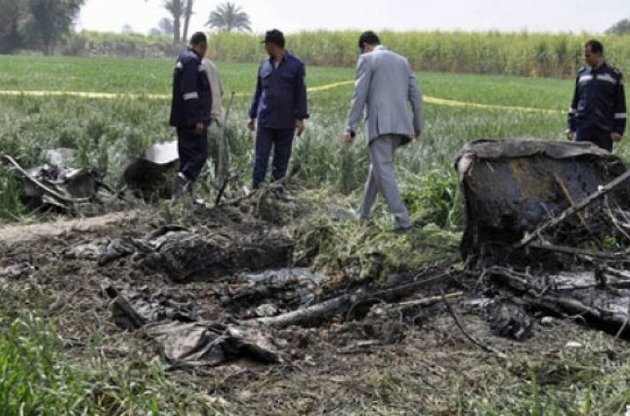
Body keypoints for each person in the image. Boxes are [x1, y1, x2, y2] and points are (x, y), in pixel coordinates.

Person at [343, 30, 423, 232]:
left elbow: (359, 96)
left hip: (380, 125)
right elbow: (416, 96)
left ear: (365, 46)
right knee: (377, 168)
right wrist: (417, 125)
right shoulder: (402, 61)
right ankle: (363, 214)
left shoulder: (367, 59)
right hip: (402, 127)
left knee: (383, 170)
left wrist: (350, 127)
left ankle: (402, 221)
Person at [248, 29, 309, 191]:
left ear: (273, 45)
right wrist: (252, 115)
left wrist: (300, 118)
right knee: (260, 159)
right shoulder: (264, 66)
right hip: (265, 121)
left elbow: (300, 92)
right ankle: (256, 193)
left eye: (266, 44)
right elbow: (259, 91)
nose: (265, 48)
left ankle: (276, 195)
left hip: (285, 122)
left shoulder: (295, 66)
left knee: (281, 161)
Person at [169, 31, 212, 200]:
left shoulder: (182, 58)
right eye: (205, 48)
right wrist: (197, 119)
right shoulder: (192, 61)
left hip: (181, 118)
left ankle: (184, 197)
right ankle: (183, 179)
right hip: (191, 120)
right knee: (200, 154)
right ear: (201, 45)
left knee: (186, 156)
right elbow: (191, 93)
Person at [567, 39, 626, 151]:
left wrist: (618, 130)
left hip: (603, 130)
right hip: (583, 128)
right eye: (584, 55)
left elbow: (620, 105)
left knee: (602, 164)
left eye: (588, 55)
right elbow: (575, 101)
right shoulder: (582, 74)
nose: (585, 58)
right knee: (579, 162)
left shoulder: (613, 75)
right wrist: (570, 126)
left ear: (598, 54)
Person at [201, 56, 226, 181]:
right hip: (218, 118)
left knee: (204, 157)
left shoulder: (196, 66)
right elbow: (221, 91)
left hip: (205, 120)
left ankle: (206, 183)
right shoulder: (212, 65)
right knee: (217, 157)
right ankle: (217, 181)